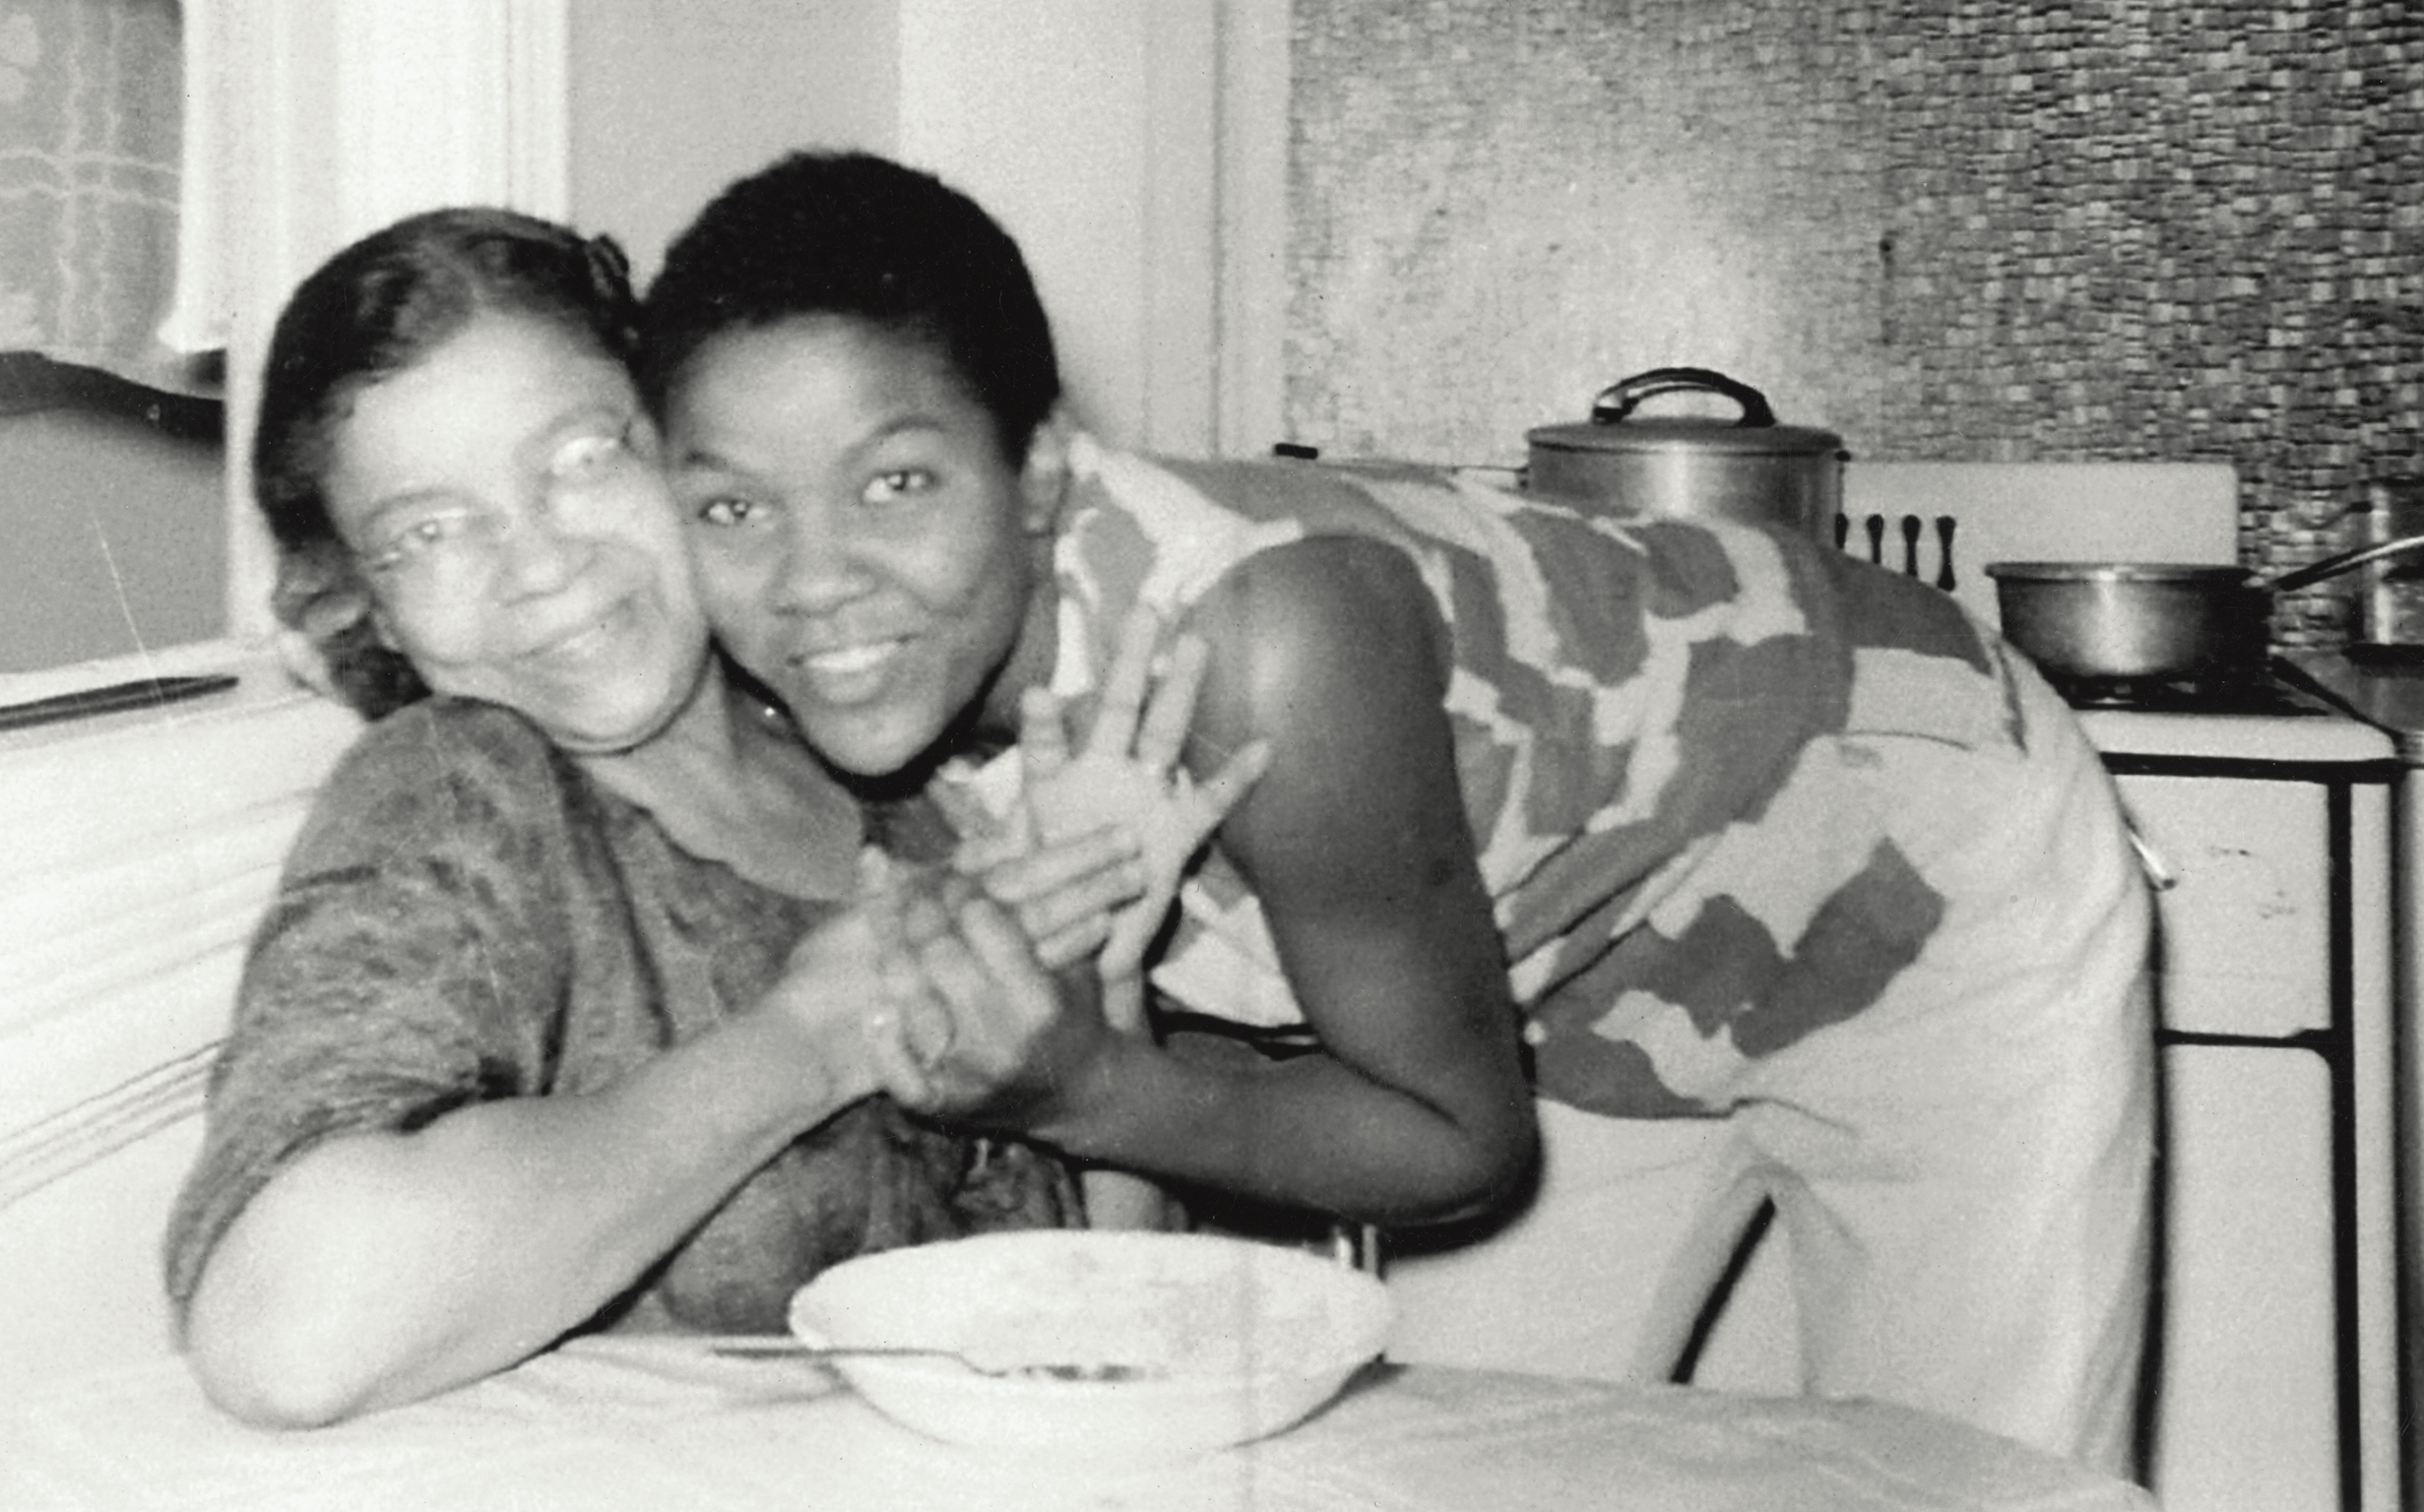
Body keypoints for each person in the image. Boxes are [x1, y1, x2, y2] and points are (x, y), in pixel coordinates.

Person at [633, 149, 2157, 1476]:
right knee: (1463, 1476)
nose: (812, 577)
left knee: (1961, 1487)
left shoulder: (1262, 645)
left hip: (1910, 846)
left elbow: (1451, 1142)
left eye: (895, 483)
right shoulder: (820, 698)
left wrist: (1078, 1082)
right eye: (732, 508)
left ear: (1037, 472)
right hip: (1578, 958)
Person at [162, 207, 1252, 1428]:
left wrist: (1099, 992)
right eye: (426, 531)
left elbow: (1092, 1326)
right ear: (373, 605)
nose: (536, 565)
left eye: (579, 459)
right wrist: (809, 1042)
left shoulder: (889, 789)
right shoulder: (464, 791)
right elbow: (286, 1335)